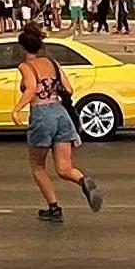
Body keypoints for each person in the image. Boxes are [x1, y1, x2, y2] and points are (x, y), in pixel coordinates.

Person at [13, 26, 103, 222]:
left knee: (37, 166)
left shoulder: (25, 67)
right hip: (61, 114)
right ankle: (82, 180)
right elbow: (68, 89)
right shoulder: (53, 63)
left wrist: (17, 109)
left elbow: (30, 89)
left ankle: (54, 208)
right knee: (64, 168)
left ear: (23, 48)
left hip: (42, 114)